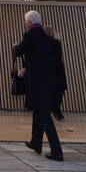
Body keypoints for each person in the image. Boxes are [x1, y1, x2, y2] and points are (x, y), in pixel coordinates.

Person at [14, 11, 64, 161]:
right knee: (38, 111)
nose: (25, 24)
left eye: (25, 22)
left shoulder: (31, 35)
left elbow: (20, 51)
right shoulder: (46, 38)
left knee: (43, 115)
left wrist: (16, 47)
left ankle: (57, 151)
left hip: (37, 82)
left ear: (29, 22)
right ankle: (36, 142)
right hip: (48, 81)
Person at [44, 25, 68, 122]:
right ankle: (56, 110)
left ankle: (54, 110)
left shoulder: (41, 43)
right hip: (57, 71)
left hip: (47, 71)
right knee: (59, 91)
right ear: (50, 32)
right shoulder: (56, 43)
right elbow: (58, 57)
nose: (54, 33)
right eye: (53, 31)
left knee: (52, 92)